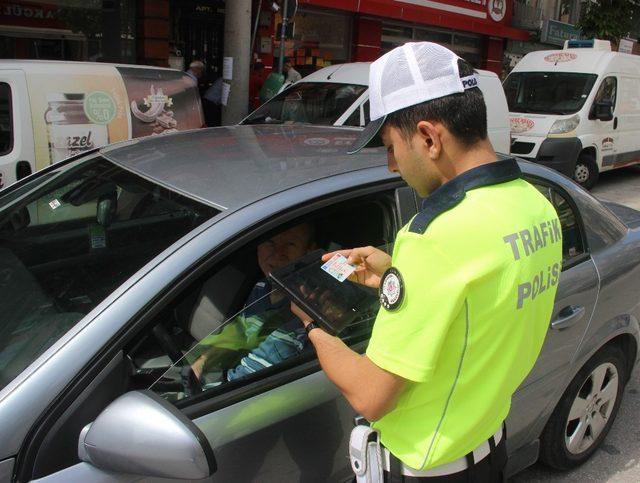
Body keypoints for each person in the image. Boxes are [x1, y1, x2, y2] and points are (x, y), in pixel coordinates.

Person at [291, 42, 563, 482]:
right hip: (488, 449)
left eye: (391, 147)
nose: (391, 165)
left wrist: (311, 322)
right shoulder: (536, 206)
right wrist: (395, 273)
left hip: (430, 469)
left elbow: (371, 395)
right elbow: (480, 305)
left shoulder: (433, 237)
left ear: (430, 137)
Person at [190, 223, 317, 383]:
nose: (278, 254)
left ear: (309, 251)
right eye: (270, 242)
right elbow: (241, 333)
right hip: (228, 383)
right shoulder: (261, 288)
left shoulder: (315, 306)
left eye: (290, 244)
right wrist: (204, 360)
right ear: (258, 246)